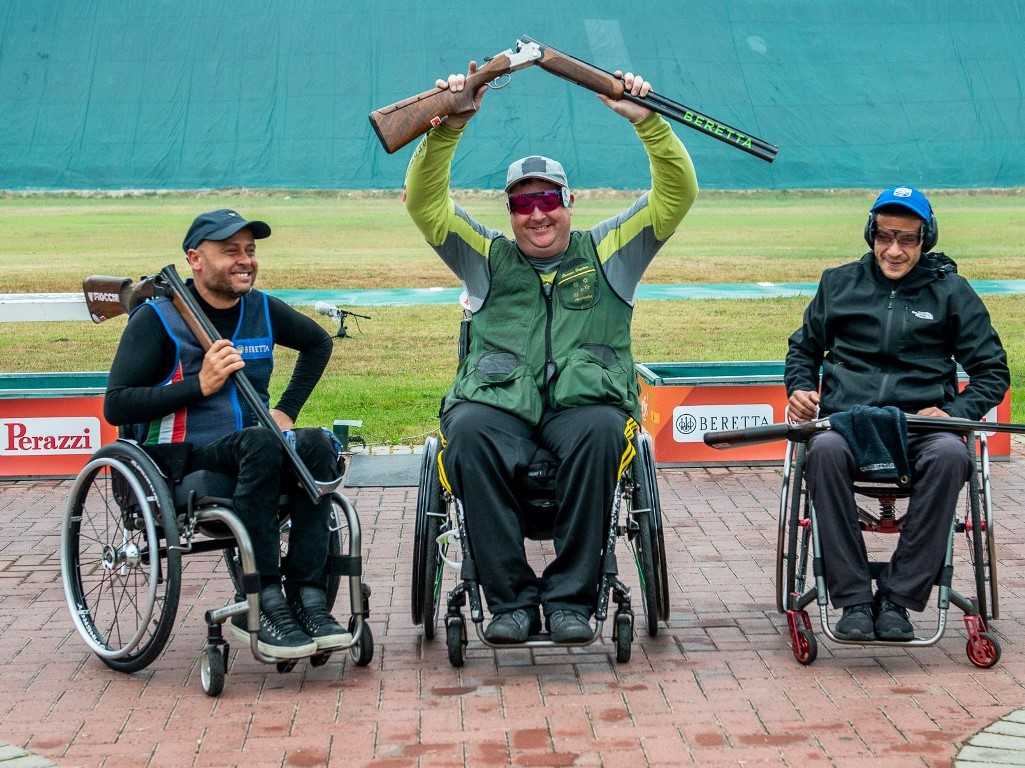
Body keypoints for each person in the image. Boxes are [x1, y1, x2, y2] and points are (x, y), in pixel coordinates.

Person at [404, 63, 698, 643]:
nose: (536, 214)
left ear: (569, 200)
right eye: (522, 204)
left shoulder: (612, 250)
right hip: (500, 411)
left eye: (547, 200)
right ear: (509, 212)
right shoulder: (484, 256)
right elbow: (424, 202)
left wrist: (649, 124)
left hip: (580, 412)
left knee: (603, 430)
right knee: (465, 430)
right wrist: (447, 123)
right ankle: (509, 601)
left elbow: (676, 194)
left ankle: (570, 600)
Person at [104, 209, 347, 660]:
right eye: (230, 251)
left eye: (250, 251)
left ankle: (310, 600)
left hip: (258, 454)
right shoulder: (158, 320)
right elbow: (116, 404)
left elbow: (319, 343)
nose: (245, 260)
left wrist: (286, 411)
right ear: (195, 259)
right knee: (260, 444)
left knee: (314, 443)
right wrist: (199, 385)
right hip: (184, 461)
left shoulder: (262, 308)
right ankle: (267, 601)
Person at [785, 186, 1009, 641]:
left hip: (924, 426)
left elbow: (992, 371)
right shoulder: (838, 283)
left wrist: (954, 413)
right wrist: (802, 387)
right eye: (885, 236)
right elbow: (803, 349)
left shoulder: (952, 292)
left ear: (925, 239)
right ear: (871, 234)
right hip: (849, 422)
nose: (894, 249)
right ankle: (852, 600)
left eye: (907, 239)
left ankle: (899, 600)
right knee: (822, 452)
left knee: (951, 458)